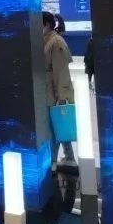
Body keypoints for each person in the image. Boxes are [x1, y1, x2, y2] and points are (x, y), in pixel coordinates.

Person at [43, 11, 74, 163]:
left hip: (54, 94)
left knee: (56, 128)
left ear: (47, 25)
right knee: (57, 127)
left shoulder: (56, 42)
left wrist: (62, 97)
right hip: (47, 92)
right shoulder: (46, 40)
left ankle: (55, 161)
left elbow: (61, 72)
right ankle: (67, 158)